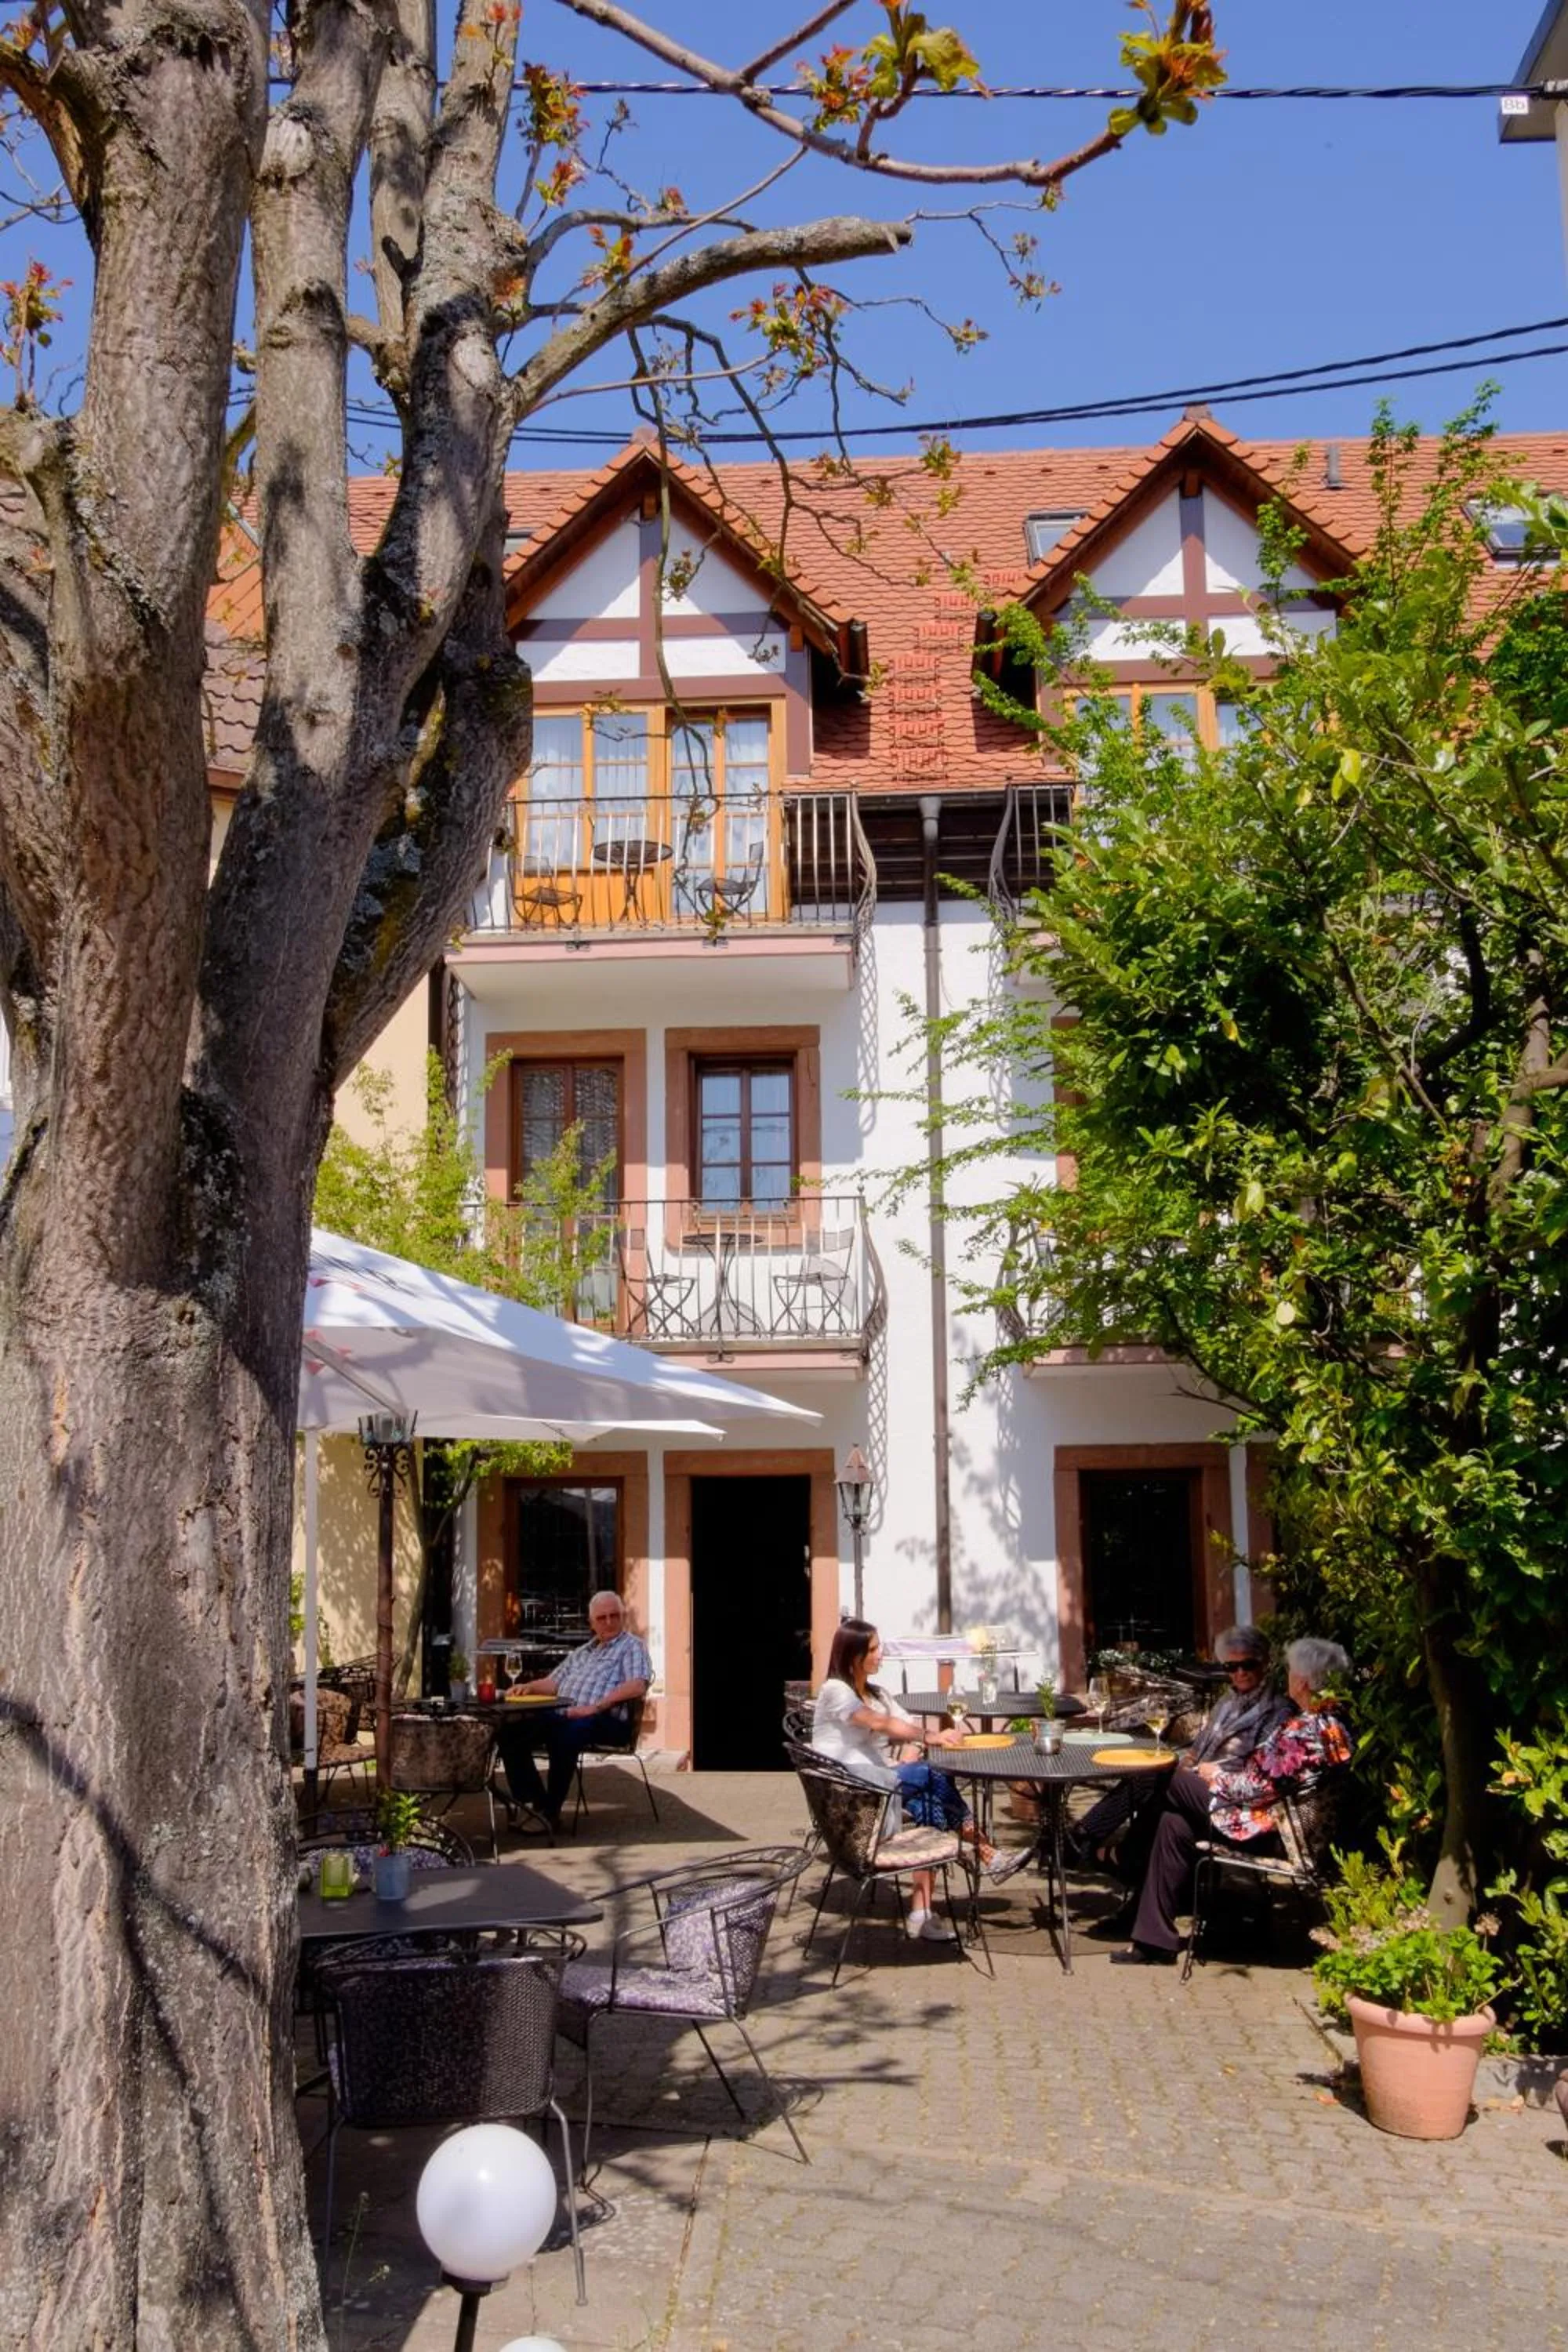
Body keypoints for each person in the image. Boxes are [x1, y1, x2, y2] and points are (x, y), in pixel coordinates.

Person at [1108, 1635, 1352, 1966]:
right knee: (1173, 1824)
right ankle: (1154, 1941)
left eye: (1291, 1671)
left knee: (1165, 1776)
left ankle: (1124, 1857)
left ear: (1304, 1681)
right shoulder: (1334, 1723)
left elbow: (1255, 1787)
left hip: (1267, 1832)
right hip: (1274, 1822)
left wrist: (1214, 1776)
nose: (1287, 1677)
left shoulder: (1303, 1731)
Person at [811, 1617, 1032, 1944]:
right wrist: (929, 1738)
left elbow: (904, 1724)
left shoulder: (877, 1693)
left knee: (929, 1795)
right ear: (854, 1656)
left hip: (881, 1786)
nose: (881, 1654)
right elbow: (879, 1723)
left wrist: (915, 1746)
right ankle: (985, 1853)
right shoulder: (835, 1691)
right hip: (853, 1796)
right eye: (873, 1649)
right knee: (932, 1774)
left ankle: (922, 1912)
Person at [1069, 1624, 1293, 1867]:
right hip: (1200, 1781)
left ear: (1264, 1662)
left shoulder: (1277, 1712)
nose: (1240, 1673)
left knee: (1154, 1777)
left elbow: (1260, 1779)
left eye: (1247, 1665)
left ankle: (1089, 1840)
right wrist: (1189, 1760)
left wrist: (1215, 1774)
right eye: (1231, 1667)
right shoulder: (1228, 1701)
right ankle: (1113, 1853)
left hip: (1232, 1799)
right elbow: (1201, 1743)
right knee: (1164, 1804)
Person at [492, 1588, 652, 1828]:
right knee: (510, 1731)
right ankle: (535, 1803)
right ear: (591, 1623)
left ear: (623, 1616)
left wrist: (594, 1707)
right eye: (602, 1618)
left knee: (566, 1733)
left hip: (605, 1719)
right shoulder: (583, 1652)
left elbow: (637, 1685)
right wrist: (528, 1686)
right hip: (565, 1715)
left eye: (614, 1616)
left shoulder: (631, 1646)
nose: (609, 1622)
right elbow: (553, 1683)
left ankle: (551, 1814)